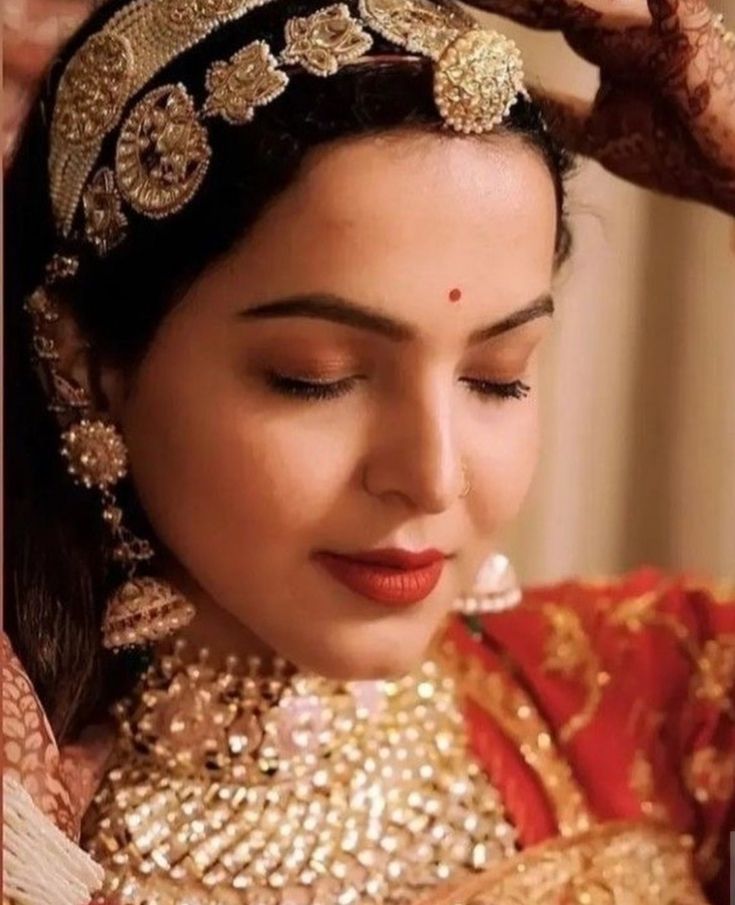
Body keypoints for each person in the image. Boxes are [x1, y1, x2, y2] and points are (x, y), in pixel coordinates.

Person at [2, 0, 733, 903]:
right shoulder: (28, 831)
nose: (431, 475)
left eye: (497, 377)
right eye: (317, 377)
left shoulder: (651, 699)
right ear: (90, 365)